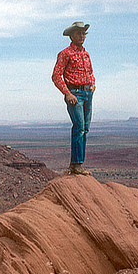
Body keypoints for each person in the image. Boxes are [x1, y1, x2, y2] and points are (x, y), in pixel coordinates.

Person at [52, 21, 95, 175]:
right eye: (78, 33)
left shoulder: (86, 53)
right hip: (75, 94)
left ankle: (79, 163)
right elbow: (56, 75)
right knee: (79, 127)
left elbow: (90, 72)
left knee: (85, 129)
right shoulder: (65, 53)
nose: (82, 36)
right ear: (71, 35)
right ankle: (76, 165)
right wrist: (67, 93)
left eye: (83, 33)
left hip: (88, 93)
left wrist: (93, 85)